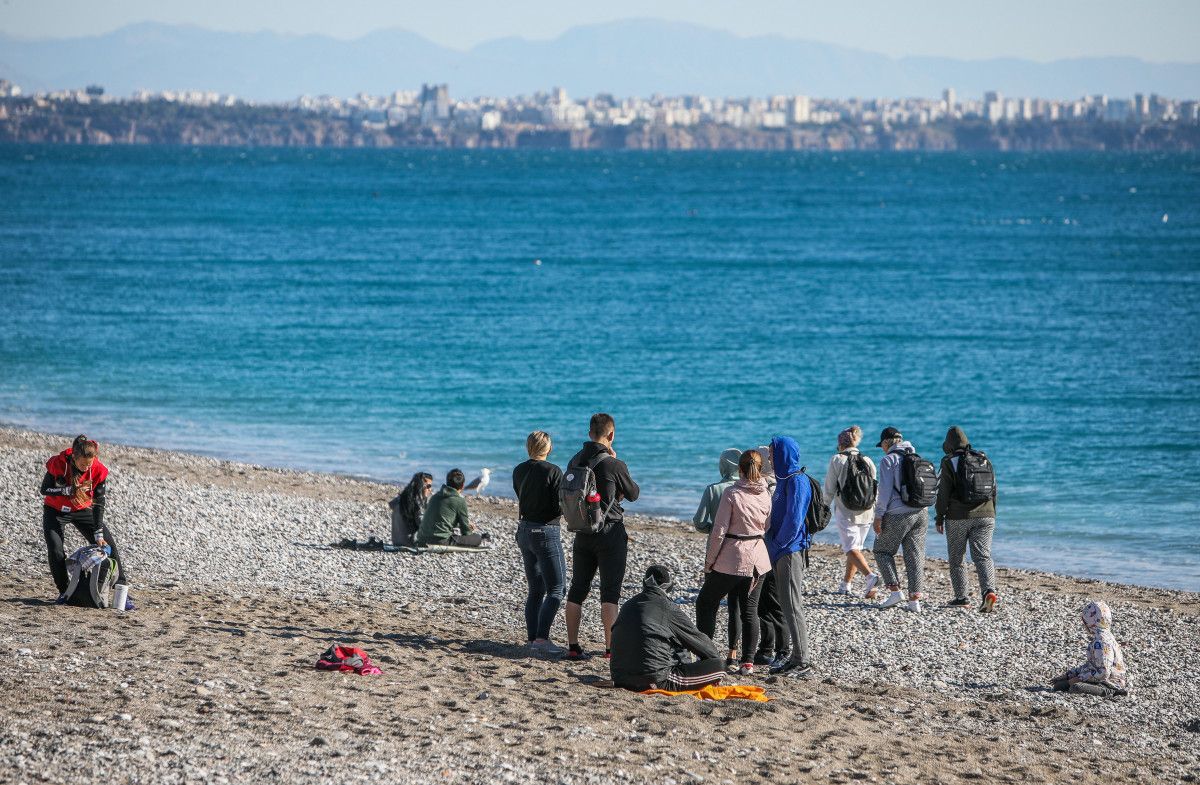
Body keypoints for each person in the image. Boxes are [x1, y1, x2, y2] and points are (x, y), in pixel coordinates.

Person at [564, 413, 640, 660]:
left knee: (577, 588)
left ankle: (573, 645)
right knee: (610, 592)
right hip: (610, 532)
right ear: (611, 435)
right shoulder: (614, 464)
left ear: (589, 434)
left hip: (582, 531)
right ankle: (610, 649)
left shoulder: (574, 460)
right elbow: (633, 493)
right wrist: (617, 465)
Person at [695, 450, 773, 676]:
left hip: (733, 556)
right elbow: (767, 526)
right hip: (758, 557)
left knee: (705, 602)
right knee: (749, 610)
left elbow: (718, 531)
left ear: (739, 469)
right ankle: (747, 661)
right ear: (760, 469)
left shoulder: (732, 493)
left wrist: (709, 562)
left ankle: (706, 654)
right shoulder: (765, 493)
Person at [41, 434, 135, 610]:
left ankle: (123, 591)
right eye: (82, 464)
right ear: (74, 458)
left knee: (109, 545)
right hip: (55, 510)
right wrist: (67, 490)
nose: (86, 468)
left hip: (81, 510)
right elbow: (44, 489)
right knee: (56, 549)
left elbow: (99, 502)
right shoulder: (58, 463)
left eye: (89, 465)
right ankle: (64, 592)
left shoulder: (98, 470)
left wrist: (98, 532)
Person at [610, 565, 725, 692]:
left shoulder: (627, 605)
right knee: (719, 667)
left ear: (644, 583)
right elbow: (706, 647)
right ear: (669, 587)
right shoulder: (668, 607)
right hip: (654, 680)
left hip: (619, 679)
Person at [512, 431, 566, 656]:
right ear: (549, 449)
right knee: (557, 588)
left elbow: (520, 495)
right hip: (545, 530)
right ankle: (542, 638)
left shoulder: (519, 470)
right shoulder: (553, 471)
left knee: (535, 589)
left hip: (524, 529)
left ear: (528, 448)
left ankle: (533, 638)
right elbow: (560, 504)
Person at [935, 426, 999, 612]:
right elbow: (994, 488)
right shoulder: (983, 458)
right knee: (983, 555)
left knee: (957, 558)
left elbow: (943, 493)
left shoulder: (949, 461)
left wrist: (939, 517)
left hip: (958, 517)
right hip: (987, 515)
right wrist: (992, 512)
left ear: (948, 445)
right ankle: (988, 591)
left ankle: (961, 597)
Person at [765, 435, 814, 677]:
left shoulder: (797, 480)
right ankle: (795, 658)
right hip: (779, 550)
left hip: (790, 550)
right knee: (785, 604)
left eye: (773, 453)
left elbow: (794, 521)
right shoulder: (782, 480)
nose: (770, 457)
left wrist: (776, 545)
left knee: (793, 606)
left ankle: (802, 660)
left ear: (783, 453)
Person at [873, 427, 928, 612]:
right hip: (921, 512)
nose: (882, 448)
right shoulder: (916, 457)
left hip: (898, 513)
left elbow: (885, 492)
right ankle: (914, 602)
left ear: (887, 442)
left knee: (882, 551)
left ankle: (895, 592)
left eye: (882, 445)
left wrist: (878, 515)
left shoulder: (888, 460)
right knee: (914, 555)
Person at [823, 426, 881, 597]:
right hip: (867, 510)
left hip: (846, 510)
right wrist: (878, 512)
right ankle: (846, 585)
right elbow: (874, 489)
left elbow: (829, 489)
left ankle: (870, 577)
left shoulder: (837, 459)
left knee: (851, 548)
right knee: (856, 548)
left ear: (840, 444)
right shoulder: (868, 460)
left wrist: (823, 507)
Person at [1050, 601, 1129, 697]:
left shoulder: (1101, 642)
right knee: (1059, 685)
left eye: (1085, 622)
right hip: (1100, 679)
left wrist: (1078, 679)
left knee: (1076, 687)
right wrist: (1069, 675)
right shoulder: (1105, 636)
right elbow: (1091, 665)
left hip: (1110, 683)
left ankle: (1114, 692)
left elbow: (1104, 673)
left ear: (1090, 622)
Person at [416, 469, 487, 547]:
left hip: (422, 539)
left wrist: (458, 525)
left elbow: (439, 520)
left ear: (447, 482)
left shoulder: (435, 497)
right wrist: (467, 528)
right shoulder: (459, 501)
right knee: (476, 538)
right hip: (440, 541)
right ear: (463, 486)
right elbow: (465, 532)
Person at [692, 448, 741, 532]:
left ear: (723, 465)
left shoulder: (713, 490)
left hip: (717, 540)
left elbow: (699, 522)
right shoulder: (750, 489)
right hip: (743, 541)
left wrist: (714, 530)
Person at [389, 472, 433, 547]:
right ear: (421, 485)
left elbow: (391, 504)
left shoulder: (401, 498)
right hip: (410, 542)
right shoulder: (417, 501)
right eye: (428, 486)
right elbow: (423, 524)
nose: (430, 489)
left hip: (396, 541)